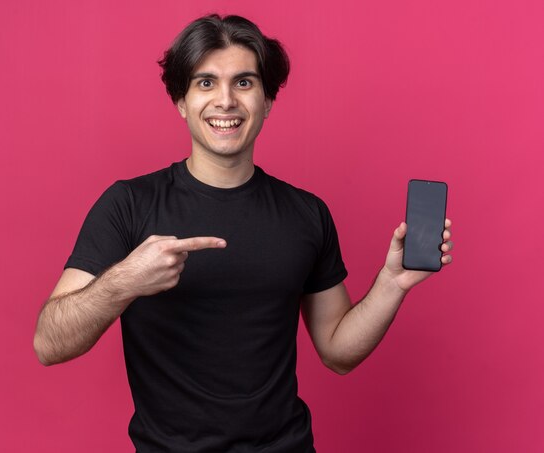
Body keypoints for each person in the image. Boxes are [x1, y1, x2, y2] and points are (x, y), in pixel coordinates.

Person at [33, 14, 454, 452]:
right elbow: (49, 343)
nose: (226, 101)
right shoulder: (128, 205)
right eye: (206, 83)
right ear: (181, 100)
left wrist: (392, 282)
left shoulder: (306, 214)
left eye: (244, 83)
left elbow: (338, 352)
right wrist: (124, 282)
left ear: (268, 100)